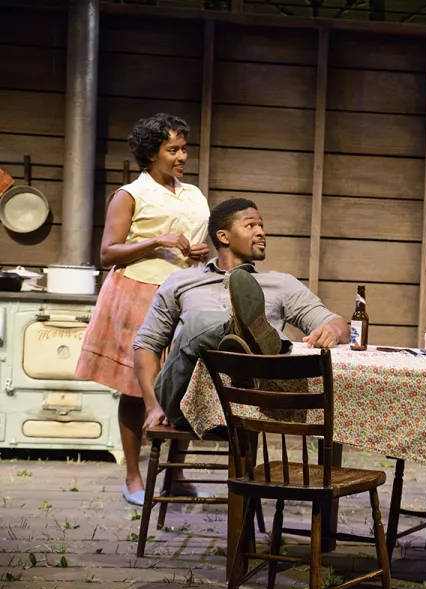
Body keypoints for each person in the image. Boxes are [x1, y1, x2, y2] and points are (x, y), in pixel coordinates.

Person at [75, 113, 210, 506]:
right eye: (173, 149)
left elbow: (191, 242)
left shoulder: (193, 194)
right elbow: (107, 253)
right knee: (137, 388)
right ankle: (133, 476)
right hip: (138, 293)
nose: (182, 156)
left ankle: (176, 474)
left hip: (184, 293)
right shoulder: (130, 194)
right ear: (152, 153)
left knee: (185, 383)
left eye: (184, 148)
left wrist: (201, 252)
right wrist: (156, 241)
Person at [132, 197, 349, 432]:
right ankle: (250, 333)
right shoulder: (181, 281)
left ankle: (254, 337)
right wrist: (153, 407)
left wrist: (332, 330)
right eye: (251, 226)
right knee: (195, 325)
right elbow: (147, 345)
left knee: (203, 326)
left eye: (262, 226)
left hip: (251, 405)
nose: (261, 233)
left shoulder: (281, 284)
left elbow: (336, 323)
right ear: (224, 237)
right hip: (188, 404)